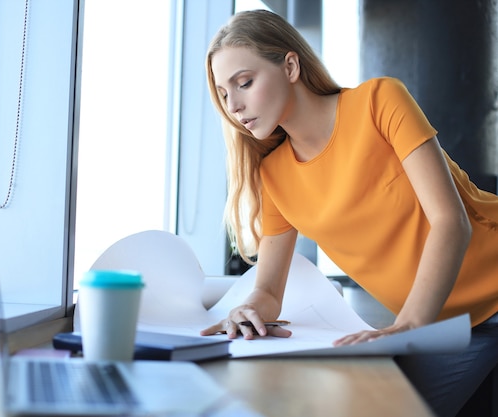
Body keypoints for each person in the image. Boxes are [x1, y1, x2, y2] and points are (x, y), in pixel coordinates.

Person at [199, 9, 498, 417]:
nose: (234, 105)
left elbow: (451, 222)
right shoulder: (274, 175)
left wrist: (409, 326)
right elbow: (270, 291)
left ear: (290, 66)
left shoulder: (379, 102)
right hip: (442, 324)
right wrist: (249, 308)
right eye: (223, 93)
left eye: (244, 83)